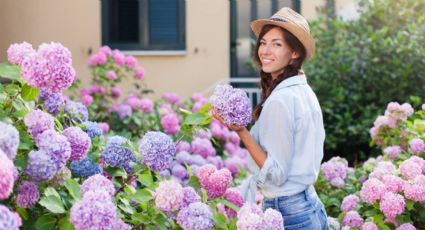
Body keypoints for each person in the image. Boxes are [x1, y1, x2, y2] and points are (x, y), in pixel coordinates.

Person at [213, 7, 329, 229]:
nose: (265, 50)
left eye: (277, 44)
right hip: (309, 206)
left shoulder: (280, 100)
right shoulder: (304, 91)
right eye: (264, 42)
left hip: (288, 213)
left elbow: (275, 174)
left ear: (294, 52)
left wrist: (241, 131)